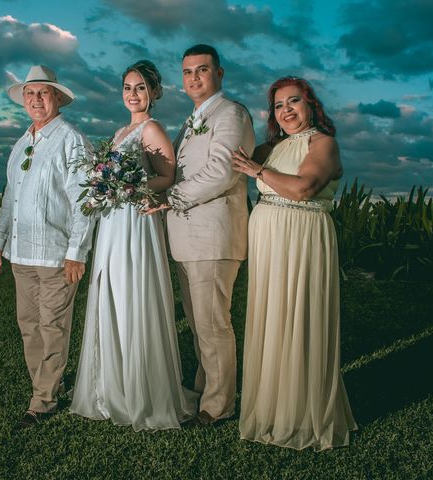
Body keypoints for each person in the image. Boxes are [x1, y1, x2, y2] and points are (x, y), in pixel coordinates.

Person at [70, 60, 196, 431]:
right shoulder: (121, 129)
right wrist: (104, 186)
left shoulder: (152, 128)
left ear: (153, 93)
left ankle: (141, 391)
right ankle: (112, 388)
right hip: (112, 223)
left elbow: (167, 176)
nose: (132, 94)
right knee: (109, 294)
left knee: (131, 297)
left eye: (140, 87)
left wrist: (131, 186)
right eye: (127, 87)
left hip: (135, 223)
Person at [233, 76, 357, 450]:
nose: (286, 110)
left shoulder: (324, 143)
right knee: (270, 316)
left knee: (299, 314)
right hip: (268, 240)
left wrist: (256, 172)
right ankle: (271, 408)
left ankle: (302, 413)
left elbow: (304, 188)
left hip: (303, 237)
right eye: (278, 105)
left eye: (293, 102)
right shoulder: (272, 147)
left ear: (311, 104)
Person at [0, 65, 95, 429]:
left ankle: (43, 401)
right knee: (29, 325)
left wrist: (76, 252)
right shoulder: (21, 144)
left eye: (43, 93)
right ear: (23, 100)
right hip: (21, 254)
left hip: (55, 255)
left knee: (52, 326)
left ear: (58, 98)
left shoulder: (71, 139)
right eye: (30, 93)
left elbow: (85, 201)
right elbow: (10, 198)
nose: (36, 99)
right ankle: (49, 387)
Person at [153, 44, 255, 426]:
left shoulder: (231, 113)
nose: (194, 77)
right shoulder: (191, 120)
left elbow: (223, 171)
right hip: (186, 239)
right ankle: (201, 389)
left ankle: (218, 405)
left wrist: (169, 197)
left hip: (214, 236)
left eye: (202, 69)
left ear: (220, 73)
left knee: (213, 324)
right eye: (188, 72)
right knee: (198, 324)